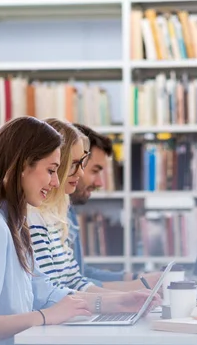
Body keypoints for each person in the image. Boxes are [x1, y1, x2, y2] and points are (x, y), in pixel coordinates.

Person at [0, 116, 159, 345]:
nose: (55, 181)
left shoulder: (12, 223)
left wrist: (116, 303)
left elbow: (43, 291)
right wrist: (45, 317)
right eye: (51, 170)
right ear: (22, 166)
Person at [69, 123, 163, 291]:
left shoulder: (68, 211)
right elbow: (68, 284)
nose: (100, 183)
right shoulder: (43, 217)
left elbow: (80, 273)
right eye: (95, 171)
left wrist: (134, 278)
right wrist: (136, 285)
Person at [27, 118, 111, 293]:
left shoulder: (56, 214)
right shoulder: (31, 217)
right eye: (74, 164)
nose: (80, 172)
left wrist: (122, 299)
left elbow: (74, 279)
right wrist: (108, 302)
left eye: (82, 164)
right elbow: (48, 293)